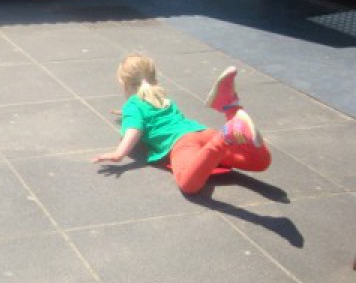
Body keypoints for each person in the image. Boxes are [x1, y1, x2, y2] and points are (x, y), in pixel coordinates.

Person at [93, 53, 271, 195]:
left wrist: (119, 154)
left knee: (189, 185)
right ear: (153, 78)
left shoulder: (132, 106)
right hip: (203, 133)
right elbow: (150, 114)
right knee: (259, 162)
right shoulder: (163, 98)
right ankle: (232, 108)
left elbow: (134, 130)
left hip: (182, 144)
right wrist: (127, 114)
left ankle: (225, 137)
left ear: (123, 83)